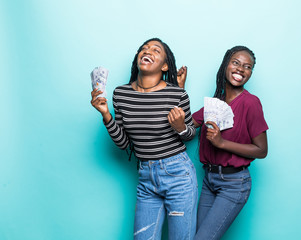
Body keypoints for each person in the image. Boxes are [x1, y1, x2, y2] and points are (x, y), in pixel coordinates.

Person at [90, 38, 198, 240]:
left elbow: (190, 134)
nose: (147, 51)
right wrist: (106, 115)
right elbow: (124, 144)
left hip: (178, 176)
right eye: (144, 48)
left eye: (156, 50)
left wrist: (181, 127)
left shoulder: (177, 94)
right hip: (146, 178)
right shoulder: (120, 94)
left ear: (165, 65)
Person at [181, 46, 268, 239]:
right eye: (236, 63)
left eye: (247, 67)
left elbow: (262, 150)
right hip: (209, 181)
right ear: (226, 64)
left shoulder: (251, 103)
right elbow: (186, 127)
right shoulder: (215, 103)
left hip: (234, 184)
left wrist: (221, 143)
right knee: (195, 235)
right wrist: (179, 90)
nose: (241, 69)